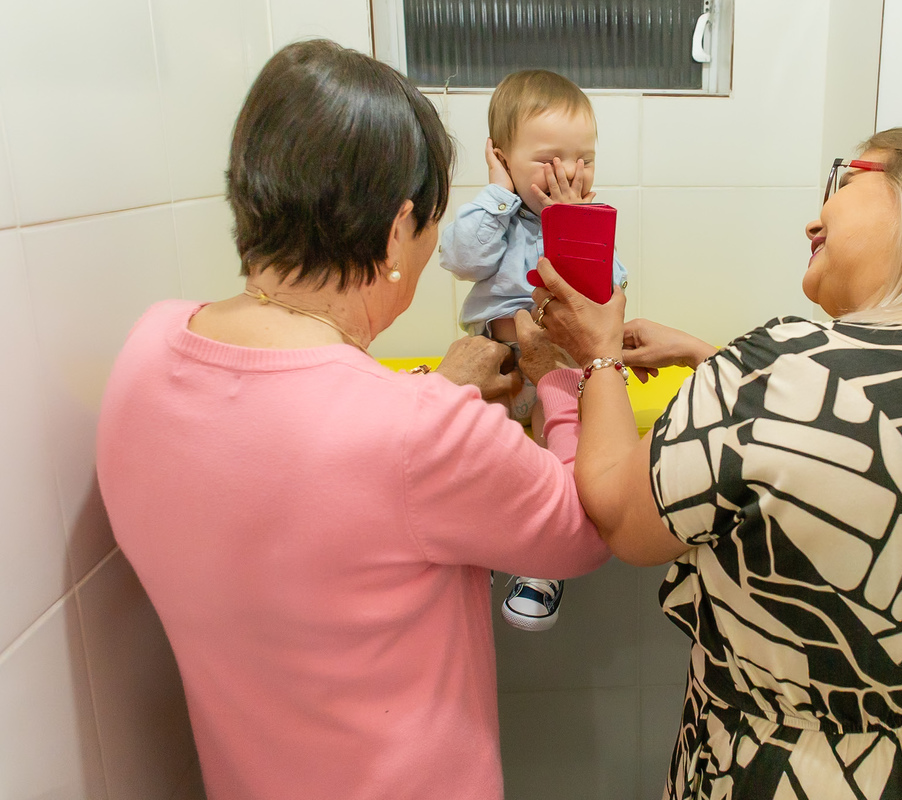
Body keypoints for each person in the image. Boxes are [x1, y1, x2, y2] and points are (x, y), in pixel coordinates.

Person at [95, 40, 609, 800]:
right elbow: (580, 528)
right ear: (400, 230)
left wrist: (439, 391)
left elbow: (321, 496)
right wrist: (569, 368)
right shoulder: (417, 428)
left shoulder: (146, 350)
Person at [530, 126, 902, 799]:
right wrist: (717, 365)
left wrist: (598, 356)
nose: (815, 215)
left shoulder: (783, 370)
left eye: (845, 179)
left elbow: (619, 510)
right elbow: (871, 440)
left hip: (806, 776)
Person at [440, 68, 628, 631]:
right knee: (471, 443)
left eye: (584, 158)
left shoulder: (589, 223)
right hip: (494, 361)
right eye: (549, 158)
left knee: (558, 440)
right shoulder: (490, 215)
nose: (570, 171)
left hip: (558, 362)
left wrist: (569, 226)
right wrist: (499, 193)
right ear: (501, 158)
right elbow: (461, 260)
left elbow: (602, 294)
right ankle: (482, 544)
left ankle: (545, 560)